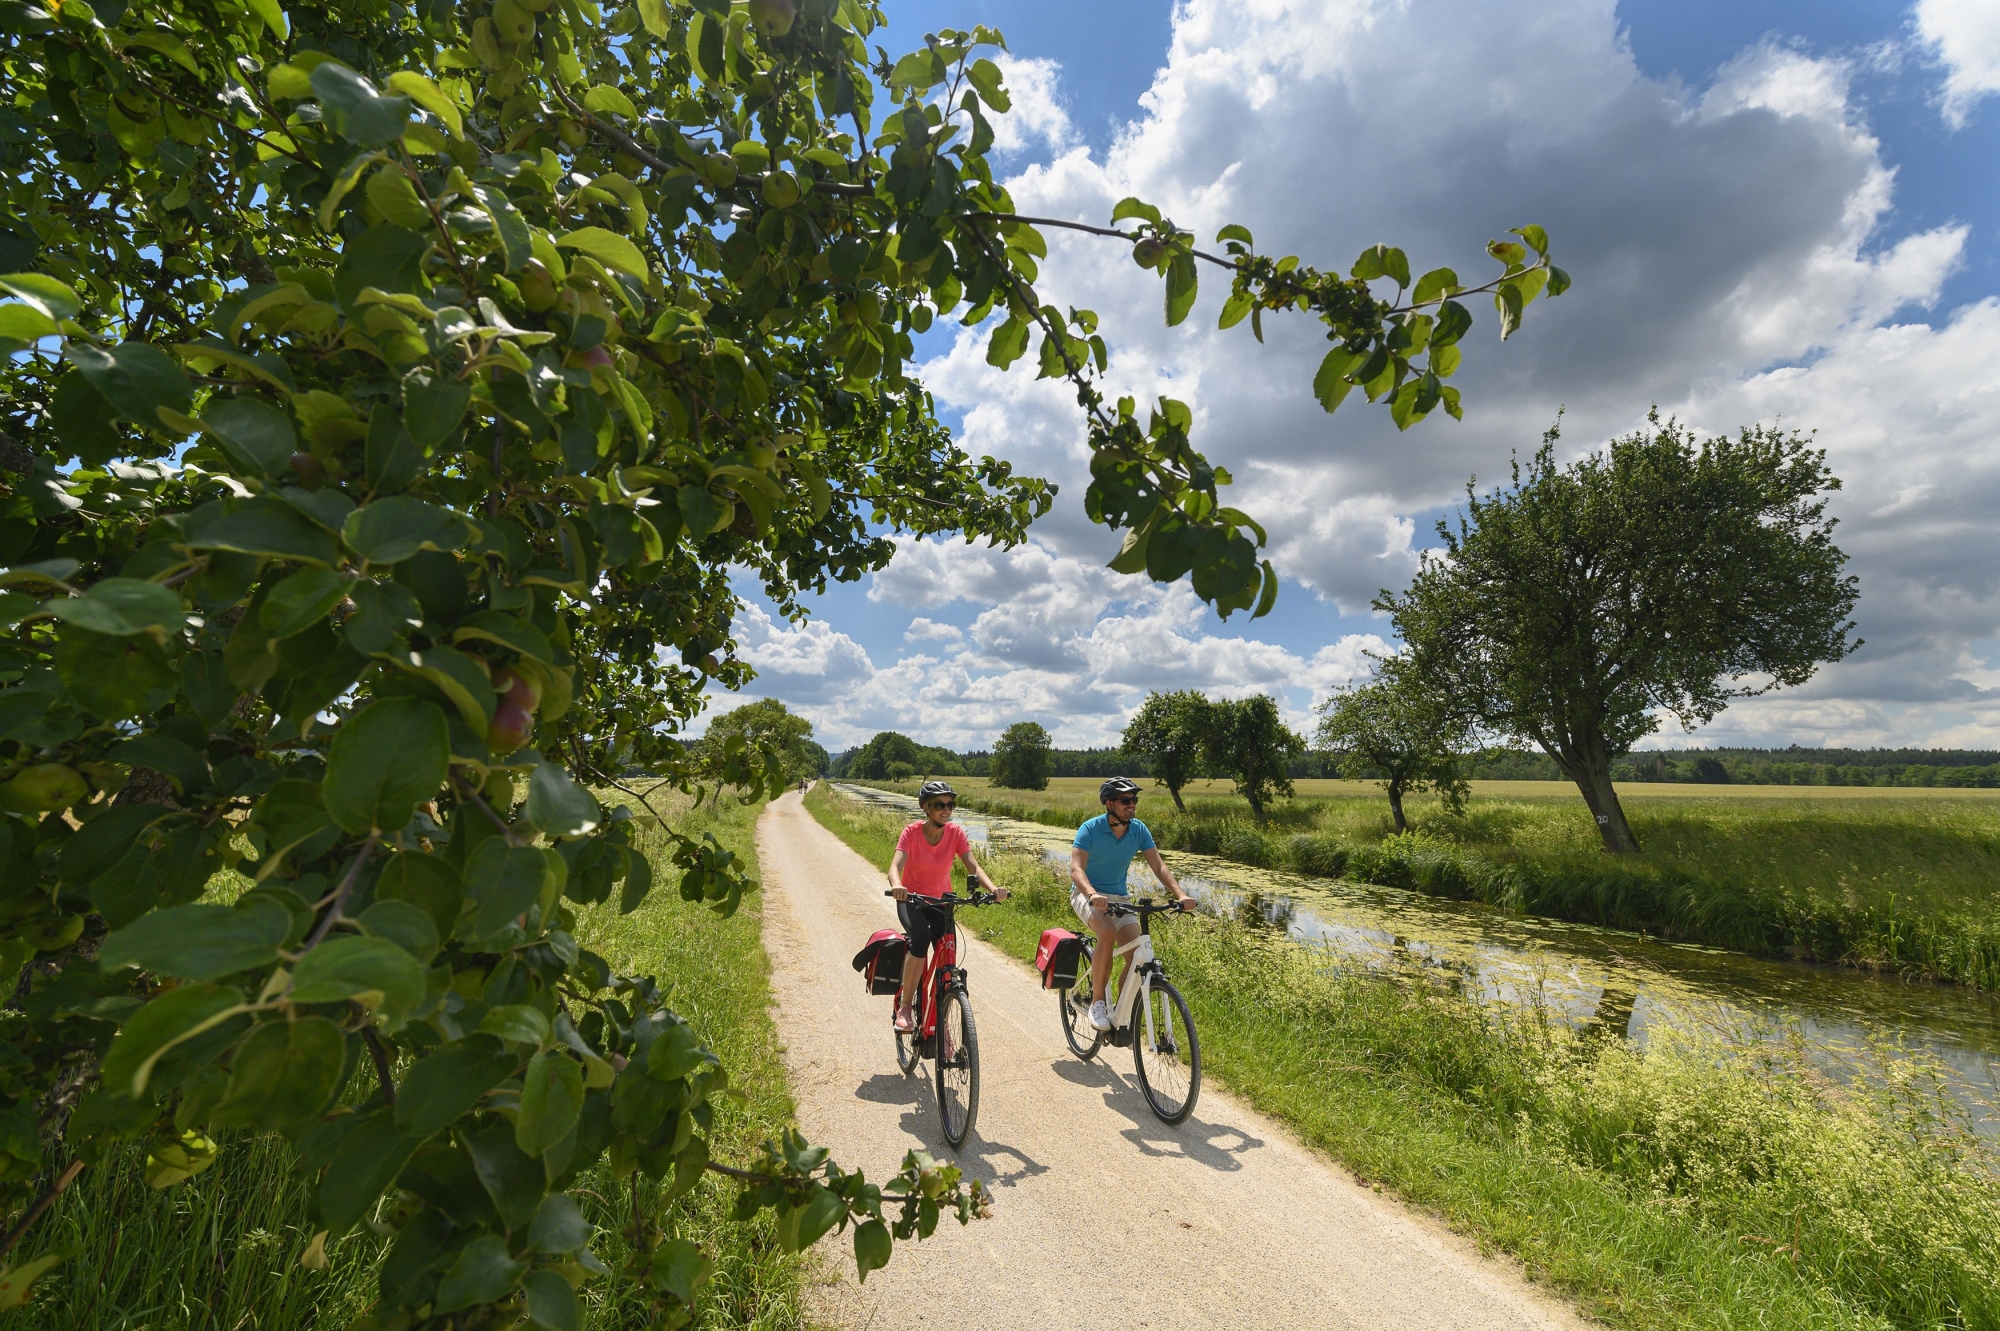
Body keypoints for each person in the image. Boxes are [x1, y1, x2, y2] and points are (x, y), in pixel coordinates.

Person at [1070, 776, 1195, 1030]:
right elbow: (1076, 869)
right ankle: (1097, 1003)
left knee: (1136, 954)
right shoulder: (1090, 829)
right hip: (1087, 894)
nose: (1132, 804)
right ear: (1109, 804)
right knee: (1107, 932)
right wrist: (1092, 894)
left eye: (1134, 799)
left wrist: (1181, 895)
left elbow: (1159, 866)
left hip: (1120, 900)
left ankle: (1121, 1012)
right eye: (1125, 800)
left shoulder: (1138, 830)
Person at [886, 780, 1006, 1032]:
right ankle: (905, 1007)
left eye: (950, 805)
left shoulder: (955, 833)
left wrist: (993, 889)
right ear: (925, 807)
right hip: (912, 900)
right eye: (939, 805)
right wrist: (897, 885)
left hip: (941, 901)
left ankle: (941, 1029)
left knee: (948, 955)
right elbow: (895, 867)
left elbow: (973, 867)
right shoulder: (911, 832)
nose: (946, 810)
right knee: (920, 940)